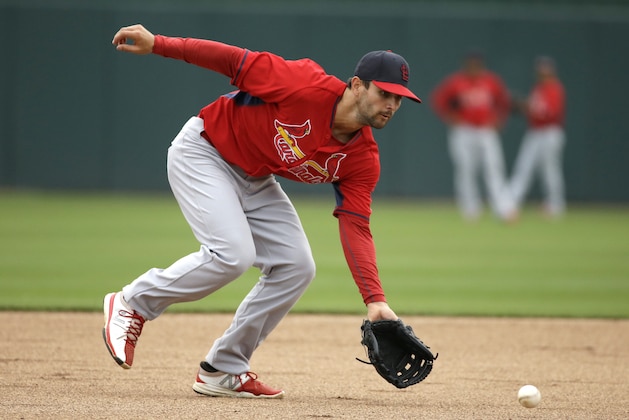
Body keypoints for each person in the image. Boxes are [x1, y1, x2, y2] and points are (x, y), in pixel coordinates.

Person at [102, 24, 422, 399]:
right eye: (385, 93)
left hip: (254, 178)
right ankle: (132, 303)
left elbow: (356, 227)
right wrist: (158, 44)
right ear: (356, 85)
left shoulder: (362, 158)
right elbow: (230, 59)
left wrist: (375, 301)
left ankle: (223, 368)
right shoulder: (304, 83)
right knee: (232, 255)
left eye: (399, 100)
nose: (392, 106)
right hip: (205, 150)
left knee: (297, 266)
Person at [431, 51, 515, 221]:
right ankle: (471, 210)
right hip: (464, 130)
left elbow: (504, 101)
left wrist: (500, 120)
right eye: (471, 65)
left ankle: (502, 208)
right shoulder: (457, 82)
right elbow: (438, 100)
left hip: (486, 130)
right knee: (466, 170)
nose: (474, 68)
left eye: (477, 65)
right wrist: (449, 117)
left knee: (494, 168)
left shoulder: (491, 81)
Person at [509, 56, 566, 218]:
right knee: (524, 166)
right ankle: (512, 201)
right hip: (535, 132)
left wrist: (526, 106)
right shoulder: (538, 88)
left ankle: (556, 204)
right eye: (540, 69)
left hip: (550, 132)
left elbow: (550, 113)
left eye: (545, 69)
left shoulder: (555, 88)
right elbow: (534, 109)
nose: (542, 72)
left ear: (552, 71)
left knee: (550, 170)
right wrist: (524, 107)